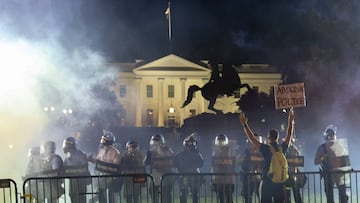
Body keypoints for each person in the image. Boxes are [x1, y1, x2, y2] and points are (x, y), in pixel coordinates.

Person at [239, 107, 295, 203]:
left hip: (267, 181)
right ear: (277, 138)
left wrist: (245, 125)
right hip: (280, 183)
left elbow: (252, 139)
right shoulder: (282, 148)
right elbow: (289, 134)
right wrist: (291, 120)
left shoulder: (266, 149)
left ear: (268, 138)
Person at [314, 124, 351, 203]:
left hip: (340, 174)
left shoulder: (340, 146)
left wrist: (347, 168)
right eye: (330, 135)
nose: (331, 136)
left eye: (333, 134)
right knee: (330, 197)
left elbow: (345, 160)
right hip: (328, 175)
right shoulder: (322, 147)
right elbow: (316, 162)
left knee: (343, 196)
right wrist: (322, 158)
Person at [89, 130, 122, 203]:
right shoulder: (102, 151)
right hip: (101, 178)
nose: (103, 145)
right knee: (101, 197)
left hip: (111, 179)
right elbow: (97, 162)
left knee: (112, 198)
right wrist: (91, 159)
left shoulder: (115, 152)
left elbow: (115, 167)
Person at [144, 134, 176, 203]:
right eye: (154, 143)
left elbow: (172, 162)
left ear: (162, 143)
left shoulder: (167, 150)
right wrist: (148, 156)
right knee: (153, 192)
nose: (156, 145)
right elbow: (145, 163)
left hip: (166, 175)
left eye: (158, 142)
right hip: (155, 176)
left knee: (166, 195)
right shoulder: (150, 153)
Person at [174, 133, 204, 203]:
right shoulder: (181, 154)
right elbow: (175, 162)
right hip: (184, 176)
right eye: (189, 143)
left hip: (194, 176)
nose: (190, 145)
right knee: (184, 193)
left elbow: (201, 163)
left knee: (195, 193)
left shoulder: (197, 153)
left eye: (192, 143)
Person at [62, 136, 91, 203]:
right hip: (72, 183)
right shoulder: (68, 156)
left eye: (66, 144)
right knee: (73, 197)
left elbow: (85, 167)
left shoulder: (80, 154)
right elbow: (64, 167)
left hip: (80, 182)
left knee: (81, 199)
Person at [239, 134, 264, 203]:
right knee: (248, 198)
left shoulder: (262, 152)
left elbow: (264, 163)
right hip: (248, 178)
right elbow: (241, 164)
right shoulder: (246, 151)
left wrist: (260, 171)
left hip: (259, 178)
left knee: (261, 197)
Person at [211, 134, 235, 203]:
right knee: (221, 198)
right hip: (219, 180)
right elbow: (213, 166)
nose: (221, 144)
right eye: (219, 142)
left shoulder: (230, 152)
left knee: (229, 198)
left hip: (228, 180)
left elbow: (232, 166)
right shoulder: (215, 153)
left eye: (222, 142)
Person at [285, 138, 306, 203]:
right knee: (289, 193)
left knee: (295, 192)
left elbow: (297, 161)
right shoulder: (287, 149)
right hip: (289, 174)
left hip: (293, 174)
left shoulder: (294, 149)